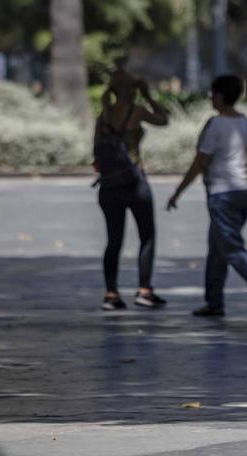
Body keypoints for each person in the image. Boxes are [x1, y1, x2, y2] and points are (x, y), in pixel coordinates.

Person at [166, 75, 247, 318]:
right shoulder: (245, 122)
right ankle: (214, 302)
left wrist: (178, 191)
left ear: (218, 96)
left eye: (212, 93)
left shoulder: (216, 124)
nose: (210, 97)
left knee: (231, 248)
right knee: (217, 248)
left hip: (223, 194)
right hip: (245, 194)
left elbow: (200, 161)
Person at [94, 69, 169, 311]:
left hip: (108, 185)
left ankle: (111, 293)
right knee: (147, 235)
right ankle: (144, 290)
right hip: (135, 182)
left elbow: (96, 153)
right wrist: (148, 95)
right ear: (133, 89)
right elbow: (163, 119)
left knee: (113, 240)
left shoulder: (103, 116)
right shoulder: (136, 111)